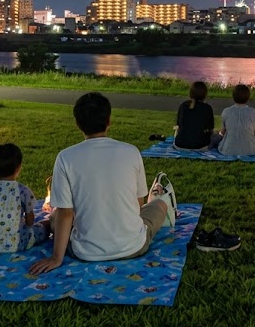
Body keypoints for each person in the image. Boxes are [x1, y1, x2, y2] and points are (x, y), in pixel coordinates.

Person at [29, 92, 176, 275]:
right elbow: (138, 204)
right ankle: (163, 203)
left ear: (78, 124)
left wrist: (56, 258)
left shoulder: (65, 157)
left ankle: (47, 225)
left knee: (56, 215)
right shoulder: (131, 152)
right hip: (133, 246)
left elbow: (66, 214)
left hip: (85, 252)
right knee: (159, 204)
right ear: (109, 121)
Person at [0, 143, 49, 253]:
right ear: (18, 167)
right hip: (16, 243)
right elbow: (30, 220)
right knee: (46, 225)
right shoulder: (23, 191)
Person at [215, 84, 255, 156]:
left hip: (228, 150)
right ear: (248, 97)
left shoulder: (226, 111)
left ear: (233, 97)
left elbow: (222, 132)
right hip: (251, 150)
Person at [173, 81, 214, 150]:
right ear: (205, 94)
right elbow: (210, 129)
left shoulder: (183, 106)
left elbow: (179, 124)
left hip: (180, 144)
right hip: (200, 146)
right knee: (216, 138)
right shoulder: (207, 108)